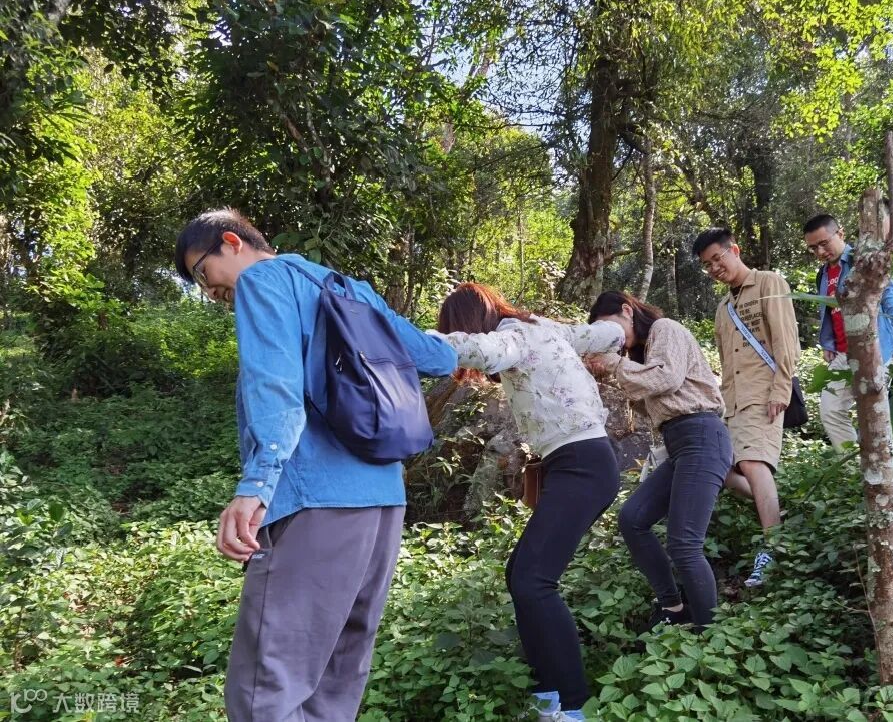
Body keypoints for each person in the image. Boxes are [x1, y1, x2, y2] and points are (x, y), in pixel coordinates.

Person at [173, 208, 458, 722]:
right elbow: (436, 358)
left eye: (201, 272)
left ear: (231, 242)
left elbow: (276, 389)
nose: (208, 291)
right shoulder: (350, 288)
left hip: (316, 503)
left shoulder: (262, 281)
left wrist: (255, 487)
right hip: (383, 501)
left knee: (268, 688)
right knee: (336, 680)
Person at [433, 283, 626, 722]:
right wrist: (619, 330)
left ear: (471, 321)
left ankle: (572, 708)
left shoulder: (513, 334)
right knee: (520, 574)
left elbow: (484, 351)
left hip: (581, 463)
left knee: (534, 581)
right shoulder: (544, 327)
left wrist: (415, 340)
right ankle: (547, 696)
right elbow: (596, 335)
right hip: (577, 462)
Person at [586, 291, 733, 630]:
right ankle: (674, 606)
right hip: (680, 443)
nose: (613, 339)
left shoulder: (665, 328)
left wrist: (615, 364)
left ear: (627, 311)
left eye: (610, 328)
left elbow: (667, 379)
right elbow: (654, 400)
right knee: (632, 519)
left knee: (685, 544)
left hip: (702, 436)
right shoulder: (644, 352)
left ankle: (709, 632)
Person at [692, 228, 799, 587]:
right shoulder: (723, 308)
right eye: (708, 265)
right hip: (732, 403)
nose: (714, 268)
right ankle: (779, 511)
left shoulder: (769, 282)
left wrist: (781, 389)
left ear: (734, 250)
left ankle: (774, 548)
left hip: (764, 394)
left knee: (753, 463)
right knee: (717, 469)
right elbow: (725, 363)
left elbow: (786, 342)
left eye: (717, 258)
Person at [804, 214, 893, 449]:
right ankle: (853, 466)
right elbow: (830, 311)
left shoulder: (864, 261)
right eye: (813, 248)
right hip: (843, 353)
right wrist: (828, 343)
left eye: (824, 243)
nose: (820, 251)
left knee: (874, 414)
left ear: (840, 233)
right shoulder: (823, 273)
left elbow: (891, 297)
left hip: (874, 349)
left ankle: (886, 462)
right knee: (830, 410)